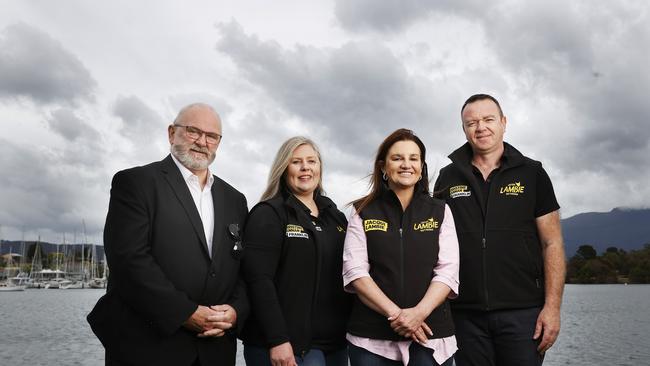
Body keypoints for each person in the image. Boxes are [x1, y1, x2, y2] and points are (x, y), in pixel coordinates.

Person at [87, 103, 249, 366]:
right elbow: (129, 260)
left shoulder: (235, 200)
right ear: (172, 133)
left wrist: (235, 312)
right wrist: (186, 313)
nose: (202, 142)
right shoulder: (135, 183)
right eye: (193, 131)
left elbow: (242, 267)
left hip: (215, 350)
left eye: (211, 136)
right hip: (148, 347)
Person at [434, 94, 566, 366]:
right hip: (464, 314)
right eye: (471, 122)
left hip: (523, 313)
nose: (480, 127)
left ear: (504, 123)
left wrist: (552, 308)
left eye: (488, 119)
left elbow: (552, 243)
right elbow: (433, 242)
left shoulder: (533, 173)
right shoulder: (448, 177)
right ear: (464, 129)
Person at [343, 128, 459, 366]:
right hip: (370, 342)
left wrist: (418, 315)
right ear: (384, 167)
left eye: (413, 158)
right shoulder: (362, 211)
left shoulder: (440, 210)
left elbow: (448, 271)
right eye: (397, 158)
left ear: (421, 167)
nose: (406, 165)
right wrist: (398, 315)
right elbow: (355, 272)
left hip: (430, 337)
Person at [241, 137, 352, 366]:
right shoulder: (268, 214)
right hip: (287, 347)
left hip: (334, 345)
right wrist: (277, 339)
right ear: (284, 168)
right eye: (296, 162)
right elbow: (258, 281)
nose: (305, 168)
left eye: (312, 161)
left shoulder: (336, 217)